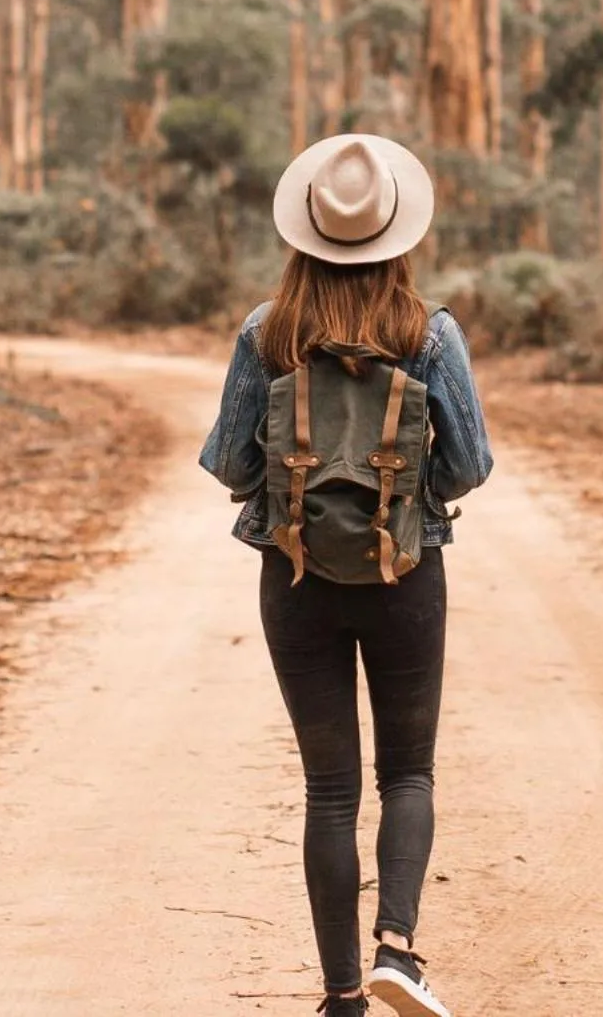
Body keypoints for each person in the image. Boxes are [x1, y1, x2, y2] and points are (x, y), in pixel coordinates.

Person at [200, 133, 493, 1017]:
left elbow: (230, 466)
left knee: (328, 789)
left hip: (295, 581)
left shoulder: (266, 332)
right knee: (407, 775)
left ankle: (340, 1000)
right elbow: (470, 462)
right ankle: (397, 952)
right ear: (397, 234)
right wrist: (407, 500)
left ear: (305, 234)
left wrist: (299, 483)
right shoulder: (427, 333)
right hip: (406, 573)